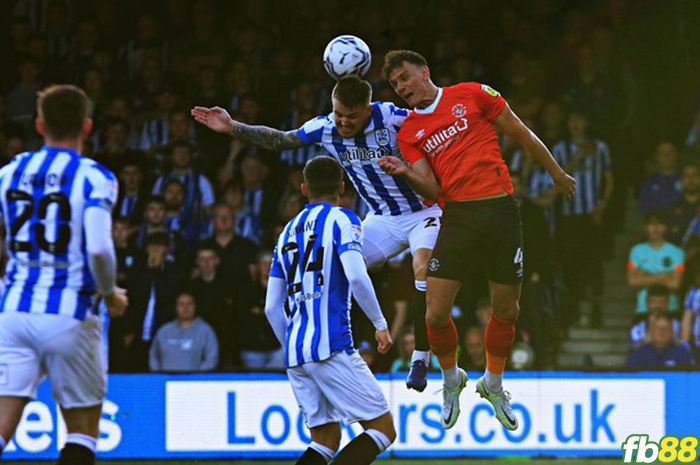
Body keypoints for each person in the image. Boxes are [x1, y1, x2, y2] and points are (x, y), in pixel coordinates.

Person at [193, 76, 439, 393]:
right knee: (336, 268)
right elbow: (281, 140)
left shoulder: (391, 116)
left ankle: (420, 355)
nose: (344, 122)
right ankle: (334, 350)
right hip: (383, 219)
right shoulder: (324, 127)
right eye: (339, 114)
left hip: (423, 212)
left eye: (351, 116)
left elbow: (436, 125)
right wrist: (233, 127)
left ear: (367, 109)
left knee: (422, 268)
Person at [379, 50, 575, 430]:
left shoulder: (472, 94)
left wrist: (556, 172)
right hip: (458, 217)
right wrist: (405, 171)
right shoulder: (409, 133)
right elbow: (431, 186)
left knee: (507, 311)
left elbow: (520, 131)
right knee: (435, 313)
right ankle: (452, 380)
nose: (401, 88)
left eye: (405, 77)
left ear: (424, 71)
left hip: (501, 212)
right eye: (394, 84)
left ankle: (493, 384)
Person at [0, 84, 128, 464]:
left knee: (2, 423)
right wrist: (109, 292)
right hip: (69, 312)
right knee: (82, 430)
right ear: (87, 127)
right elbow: (100, 248)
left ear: (40, 125)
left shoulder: (9, 172)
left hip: (13, 310)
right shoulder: (93, 176)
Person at [264, 156, 396, 465]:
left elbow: (272, 307)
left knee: (324, 440)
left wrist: (294, 346)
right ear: (341, 186)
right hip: (332, 345)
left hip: (297, 352)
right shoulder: (343, 219)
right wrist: (379, 323)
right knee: (383, 429)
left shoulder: (285, 233)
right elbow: (356, 275)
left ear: (304, 188)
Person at [551, 109, 614, 328]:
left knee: (594, 262)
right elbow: (556, 183)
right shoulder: (560, 149)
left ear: (586, 122)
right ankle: (573, 307)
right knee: (572, 263)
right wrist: (576, 157)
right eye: (572, 118)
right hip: (570, 216)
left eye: (579, 118)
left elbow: (609, 179)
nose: (575, 123)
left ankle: (596, 307)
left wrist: (603, 205)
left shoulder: (600, 148)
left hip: (592, 213)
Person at [628, 210, 684, 315]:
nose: (655, 228)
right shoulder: (636, 250)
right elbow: (633, 281)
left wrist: (646, 276)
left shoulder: (677, 252)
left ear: (666, 227)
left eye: (660, 224)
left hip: (670, 309)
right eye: (651, 224)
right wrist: (664, 276)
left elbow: (675, 284)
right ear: (645, 228)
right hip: (643, 309)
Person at [149, 292, 219, 372]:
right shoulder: (164, 331)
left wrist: (197, 376)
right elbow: (153, 354)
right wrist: (158, 375)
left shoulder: (205, 330)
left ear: (195, 306)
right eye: (181, 304)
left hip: (193, 382)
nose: (186, 308)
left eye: (189, 304)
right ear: (175, 307)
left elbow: (211, 358)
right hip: (165, 381)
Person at [625, 315, 693, 368]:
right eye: (657, 328)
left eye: (665, 328)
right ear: (650, 332)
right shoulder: (638, 354)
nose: (661, 331)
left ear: (671, 332)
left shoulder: (681, 353)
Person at [638, 142, 681, 218]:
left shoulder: (686, 180)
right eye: (662, 153)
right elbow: (645, 210)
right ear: (656, 157)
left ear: (676, 155)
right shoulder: (648, 183)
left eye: (670, 152)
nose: (666, 156)